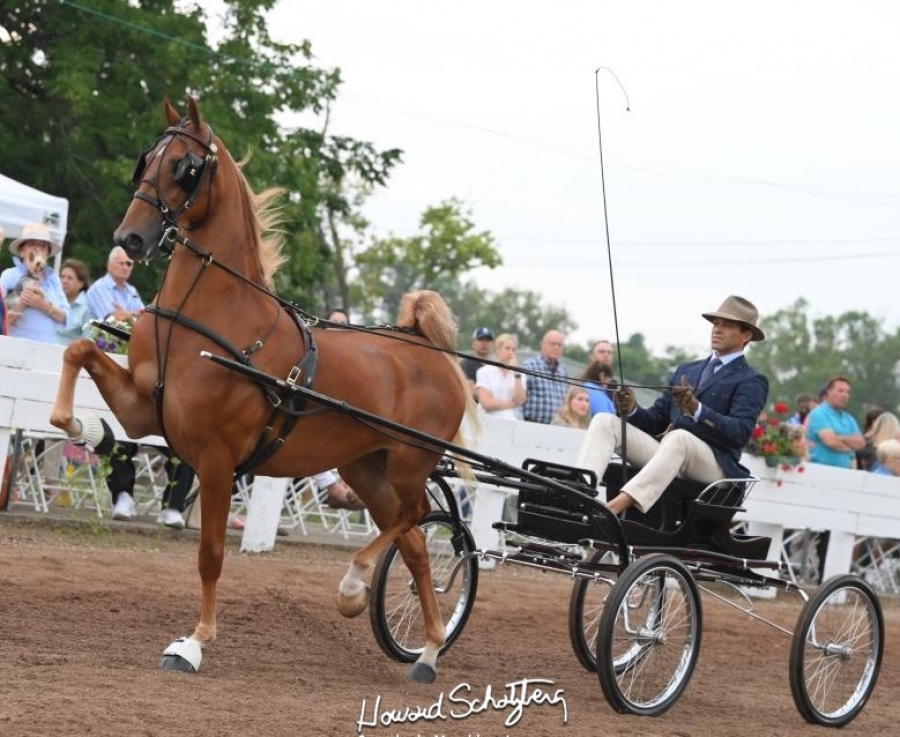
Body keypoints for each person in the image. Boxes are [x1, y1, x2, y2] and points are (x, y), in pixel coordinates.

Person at [576, 295, 768, 516]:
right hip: (669, 455)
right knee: (604, 421)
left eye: (727, 325)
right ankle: (580, 496)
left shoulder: (751, 379)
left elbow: (740, 434)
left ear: (746, 335)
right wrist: (631, 409)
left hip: (714, 467)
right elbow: (657, 420)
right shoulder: (688, 369)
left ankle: (614, 507)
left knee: (680, 438)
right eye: (716, 324)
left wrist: (697, 410)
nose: (717, 329)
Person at [1, 223, 71, 343]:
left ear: (47, 254)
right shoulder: (9, 275)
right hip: (16, 346)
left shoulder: (54, 279)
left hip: (47, 347)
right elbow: (2, 314)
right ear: (22, 251)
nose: (37, 249)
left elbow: (67, 318)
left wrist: (43, 305)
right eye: (32, 244)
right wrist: (31, 278)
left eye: (42, 246)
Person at [806, 377, 865, 469]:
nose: (845, 395)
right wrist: (850, 445)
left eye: (848, 392)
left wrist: (840, 438)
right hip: (820, 470)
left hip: (845, 473)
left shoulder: (849, 419)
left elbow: (860, 444)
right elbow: (831, 441)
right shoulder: (818, 413)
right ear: (829, 392)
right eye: (840, 391)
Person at [475, 333, 527, 420]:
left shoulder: (519, 375)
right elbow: (486, 403)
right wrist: (512, 404)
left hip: (510, 421)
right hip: (487, 419)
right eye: (507, 348)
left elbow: (520, 400)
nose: (511, 352)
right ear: (497, 350)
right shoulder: (484, 371)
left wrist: (517, 374)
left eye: (514, 350)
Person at [86, 245, 144, 322]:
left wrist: (124, 314)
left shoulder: (132, 291)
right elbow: (111, 321)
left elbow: (145, 318)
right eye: (121, 263)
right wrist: (135, 315)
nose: (125, 267)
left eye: (128, 264)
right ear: (109, 265)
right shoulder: (98, 288)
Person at [521, 329, 567, 424]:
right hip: (531, 424)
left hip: (556, 427)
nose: (556, 347)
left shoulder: (563, 372)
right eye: (552, 344)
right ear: (542, 344)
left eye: (559, 345)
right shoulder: (529, 366)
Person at [56, 258, 92, 344]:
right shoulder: (52, 301)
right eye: (62, 277)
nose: (64, 281)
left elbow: (87, 341)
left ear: (81, 284)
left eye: (70, 278)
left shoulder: (87, 308)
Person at [460, 327, 495, 400]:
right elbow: (472, 392)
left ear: (493, 344)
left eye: (488, 340)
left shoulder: (495, 367)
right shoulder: (465, 364)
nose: (484, 343)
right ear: (473, 343)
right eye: (481, 339)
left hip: (495, 408)